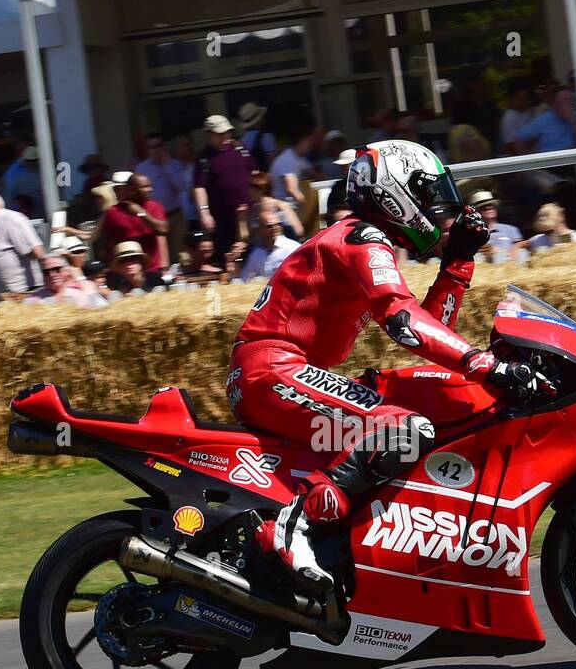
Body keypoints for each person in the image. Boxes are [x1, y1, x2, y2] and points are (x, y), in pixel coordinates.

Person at [228, 139, 552, 588]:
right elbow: (404, 322)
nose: (435, 209)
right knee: (405, 429)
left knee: (419, 412)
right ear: (392, 192)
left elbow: (430, 328)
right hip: (273, 369)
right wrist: (487, 365)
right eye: (425, 193)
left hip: (281, 370)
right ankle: (292, 527)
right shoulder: (362, 238)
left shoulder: (367, 241)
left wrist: (457, 263)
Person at [193, 114, 254, 259]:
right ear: (209, 135)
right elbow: (199, 186)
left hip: (248, 214)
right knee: (228, 256)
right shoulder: (204, 157)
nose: (224, 137)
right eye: (219, 134)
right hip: (222, 218)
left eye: (226, 132)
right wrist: (204, 213)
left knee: (251, 252)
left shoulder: (239, 149)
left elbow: (254, 172)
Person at [0, 190, 44, 301]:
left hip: (22, 297)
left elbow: (37, 251)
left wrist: (31, 293)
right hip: (3, 303)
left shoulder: (11, 220)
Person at [240, 200, 301, 283]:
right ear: (260, 230)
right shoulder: (256, 254)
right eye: (269, 226)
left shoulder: (293, 249)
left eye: (278, 224)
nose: (275, 228)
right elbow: (244, 280)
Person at [466, 190, 522, 258]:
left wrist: (510, 252)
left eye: (491, 205)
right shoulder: (470, 233)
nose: (489, 208)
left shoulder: (511, 229)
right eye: (484, 207)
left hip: (511, 264)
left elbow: (522, 247)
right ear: (476, 213)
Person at [237, 102, 276, 171]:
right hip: (264, 178)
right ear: (259, 120)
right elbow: (273, 163)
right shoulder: (266, 137)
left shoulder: (241, 141)